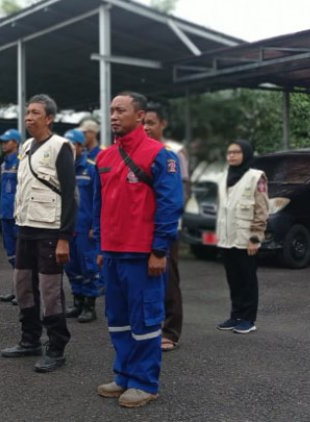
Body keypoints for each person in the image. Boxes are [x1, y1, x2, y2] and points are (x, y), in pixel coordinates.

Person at [93, 92, 183, 408]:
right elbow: (98, 204)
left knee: (145, 320)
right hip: (113, 253)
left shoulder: (160, 156)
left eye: (121, 110)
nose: (114, 116)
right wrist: (101, 245)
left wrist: (159, 250)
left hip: (143, 255)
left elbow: (170, 205)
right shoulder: (103, 158)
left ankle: (145, 383)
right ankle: (124, 376)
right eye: (111, 111)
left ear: (140, 116)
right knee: (117, 319)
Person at [0, 94, 76, 373]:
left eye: (35, 113)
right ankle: (29, 339)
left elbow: (69, 195)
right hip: (26, 227)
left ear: (49, 118)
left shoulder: (61, 147)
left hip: (50, 230)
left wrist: (65, 237)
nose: (28, 117)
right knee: (23, 285)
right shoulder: (26, 146)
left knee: (50, 290)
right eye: (27, 112)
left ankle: (56, 347)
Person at [143, 104, 189, 352]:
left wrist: (171, 222)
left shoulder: (173, 152)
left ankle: (171, 330)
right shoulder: (138, 151)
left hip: (167, 227)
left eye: (151, 123)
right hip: (141, 226)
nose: (147, 128)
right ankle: (150, 326)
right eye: (144, 123)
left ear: (163, 124)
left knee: (168, 276)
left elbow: (179, 192)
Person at [216, 140, 269, 335]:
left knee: (247, 280)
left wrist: (255, 238)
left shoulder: (257, 177)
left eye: (236, 152)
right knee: (233, 280)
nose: (231, 156)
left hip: (246, 239)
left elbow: (262, 210)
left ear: (245, 154)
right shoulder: (223, 177)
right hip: (227, 239)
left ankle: (248, 319)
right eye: (229, 152)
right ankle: (235, 315)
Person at [62, 129, 100, 323]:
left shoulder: (91, 169)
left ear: (80, 146)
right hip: (68, 227)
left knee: (89, 267)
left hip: (86, 228)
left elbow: (98, 200)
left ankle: (89, 306)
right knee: (71, 266)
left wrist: (96, 226)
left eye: (71, 146)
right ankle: (77, 302)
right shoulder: (61, 168)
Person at [0, 128, 21, 305]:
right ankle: (16, 289)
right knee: (11, 254)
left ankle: (23, 292)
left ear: (16, 143)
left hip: (17, 214)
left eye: (7, 141)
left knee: (21, 255)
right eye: (2, 141)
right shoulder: (4, 164)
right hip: (5, 213)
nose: (3, 144)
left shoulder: (22, 162)